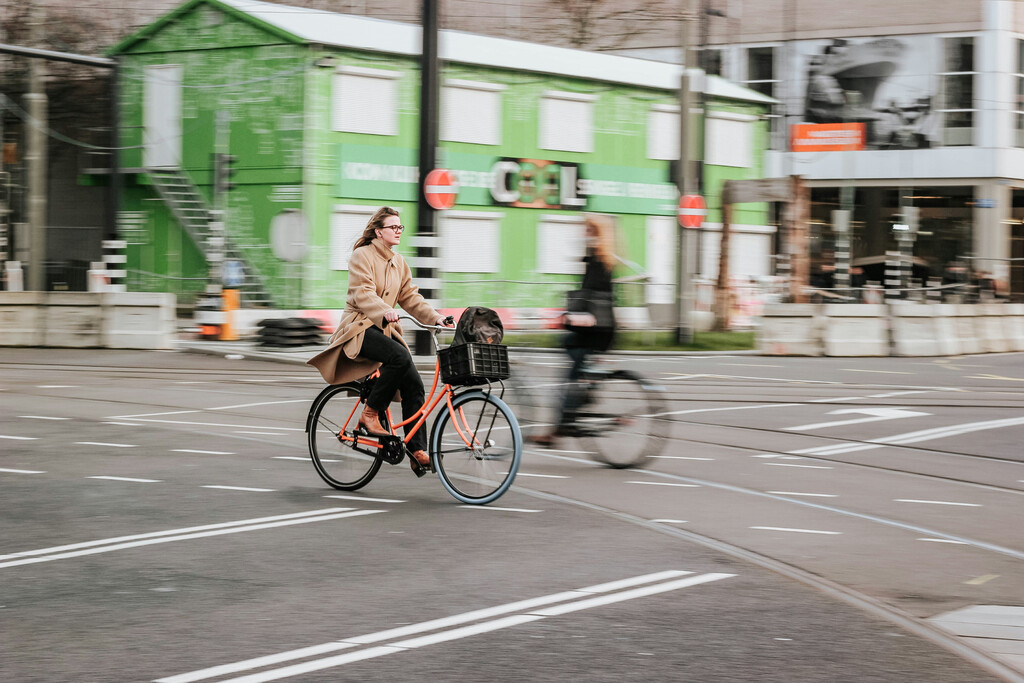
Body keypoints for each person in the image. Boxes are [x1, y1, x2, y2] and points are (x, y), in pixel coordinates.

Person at [307, 207, 451, 476]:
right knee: (399, 357)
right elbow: (363, 293)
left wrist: (436, 318)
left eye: (400, 227)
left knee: (415, 385)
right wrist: (383, 309)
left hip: (384, 330)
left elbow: (411, 298)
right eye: (393, 227)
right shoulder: (363, 256)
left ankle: (417, 450)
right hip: (358, 328)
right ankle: (370, 414)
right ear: (378, 231)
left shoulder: (399, 262)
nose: (398, 231)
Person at [530, 214, 617, 448]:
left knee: (569, 368)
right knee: (571, 352)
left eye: (588, 229)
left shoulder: (597, 261)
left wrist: (569, 317)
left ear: (597, 233)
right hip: (602, 331)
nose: (584, 233)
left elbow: (592, 300)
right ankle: (584, 391)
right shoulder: (602, 259)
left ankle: (562, 422)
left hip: (595, 332)